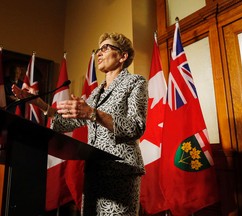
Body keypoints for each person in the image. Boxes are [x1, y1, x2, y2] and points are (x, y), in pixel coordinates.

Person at [12, 32, 148, 216]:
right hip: (94, 173)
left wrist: (93, 113)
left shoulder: (135, 82)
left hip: (120, 172)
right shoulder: (96, 93)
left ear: (123, 56)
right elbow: (70, 121)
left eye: (106, 48)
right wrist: (39, 103)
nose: (99, 53)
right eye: (99, 49)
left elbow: (135, 127)